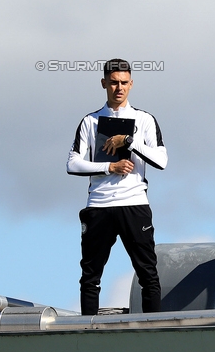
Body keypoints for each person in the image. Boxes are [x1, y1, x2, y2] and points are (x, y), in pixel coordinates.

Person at [67, 58, 168, 315]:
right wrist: (108, 168)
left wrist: (129, 141)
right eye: (113, 83)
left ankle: (154, 333)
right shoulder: (90, 121)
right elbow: (72, 164)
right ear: (104, 83)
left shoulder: (144, 119)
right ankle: (87, 335)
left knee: (148, 273)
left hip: (134, 203)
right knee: (90, 277)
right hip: (99, 206)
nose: (118, 88)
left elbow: (161, 161)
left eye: (124, 83)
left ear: (132, 84)